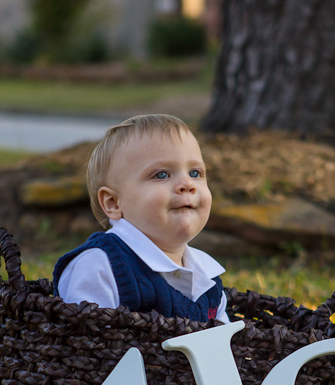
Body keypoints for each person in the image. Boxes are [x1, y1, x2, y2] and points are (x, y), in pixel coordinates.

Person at [53, 114, 229, 323]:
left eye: (195, 172)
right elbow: (85, 344)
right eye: (162, 174)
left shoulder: (207, 277)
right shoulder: (101, 266)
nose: (187, 184)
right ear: (113, 203)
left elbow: (224, 348)